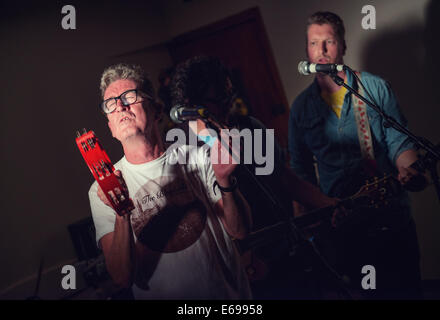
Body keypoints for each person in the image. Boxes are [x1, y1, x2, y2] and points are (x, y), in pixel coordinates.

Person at [170, 55, 341, 299]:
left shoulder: (249, 127)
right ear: (191, 102)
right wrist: (243, 260)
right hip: (237, 274)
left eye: (229, 95)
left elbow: (283, 178)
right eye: (219, 100)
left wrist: (327, 204)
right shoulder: (182, 150)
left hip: (282, 251)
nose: (228, 105)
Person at [288, 11, 427, 299]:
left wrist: (409, 167)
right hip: (343, 226)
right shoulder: (301, 108)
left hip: (390, 216)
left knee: (408, 290)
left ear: (343, 46)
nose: (322, 51)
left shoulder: (374, 88)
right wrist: (313, 216)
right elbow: (299, 169)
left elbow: (399, 141)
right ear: (306, 50)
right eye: (314, 43)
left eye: (329, 41)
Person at [88, 63, 253, 299]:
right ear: (111, 127)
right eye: (111, 104)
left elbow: (241, 231)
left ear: (157, 109)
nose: (121, 106)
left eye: (129, 96)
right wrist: (121, 211)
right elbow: (122, 278)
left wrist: (225, 181)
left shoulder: (197, 157)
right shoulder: (101, 190)